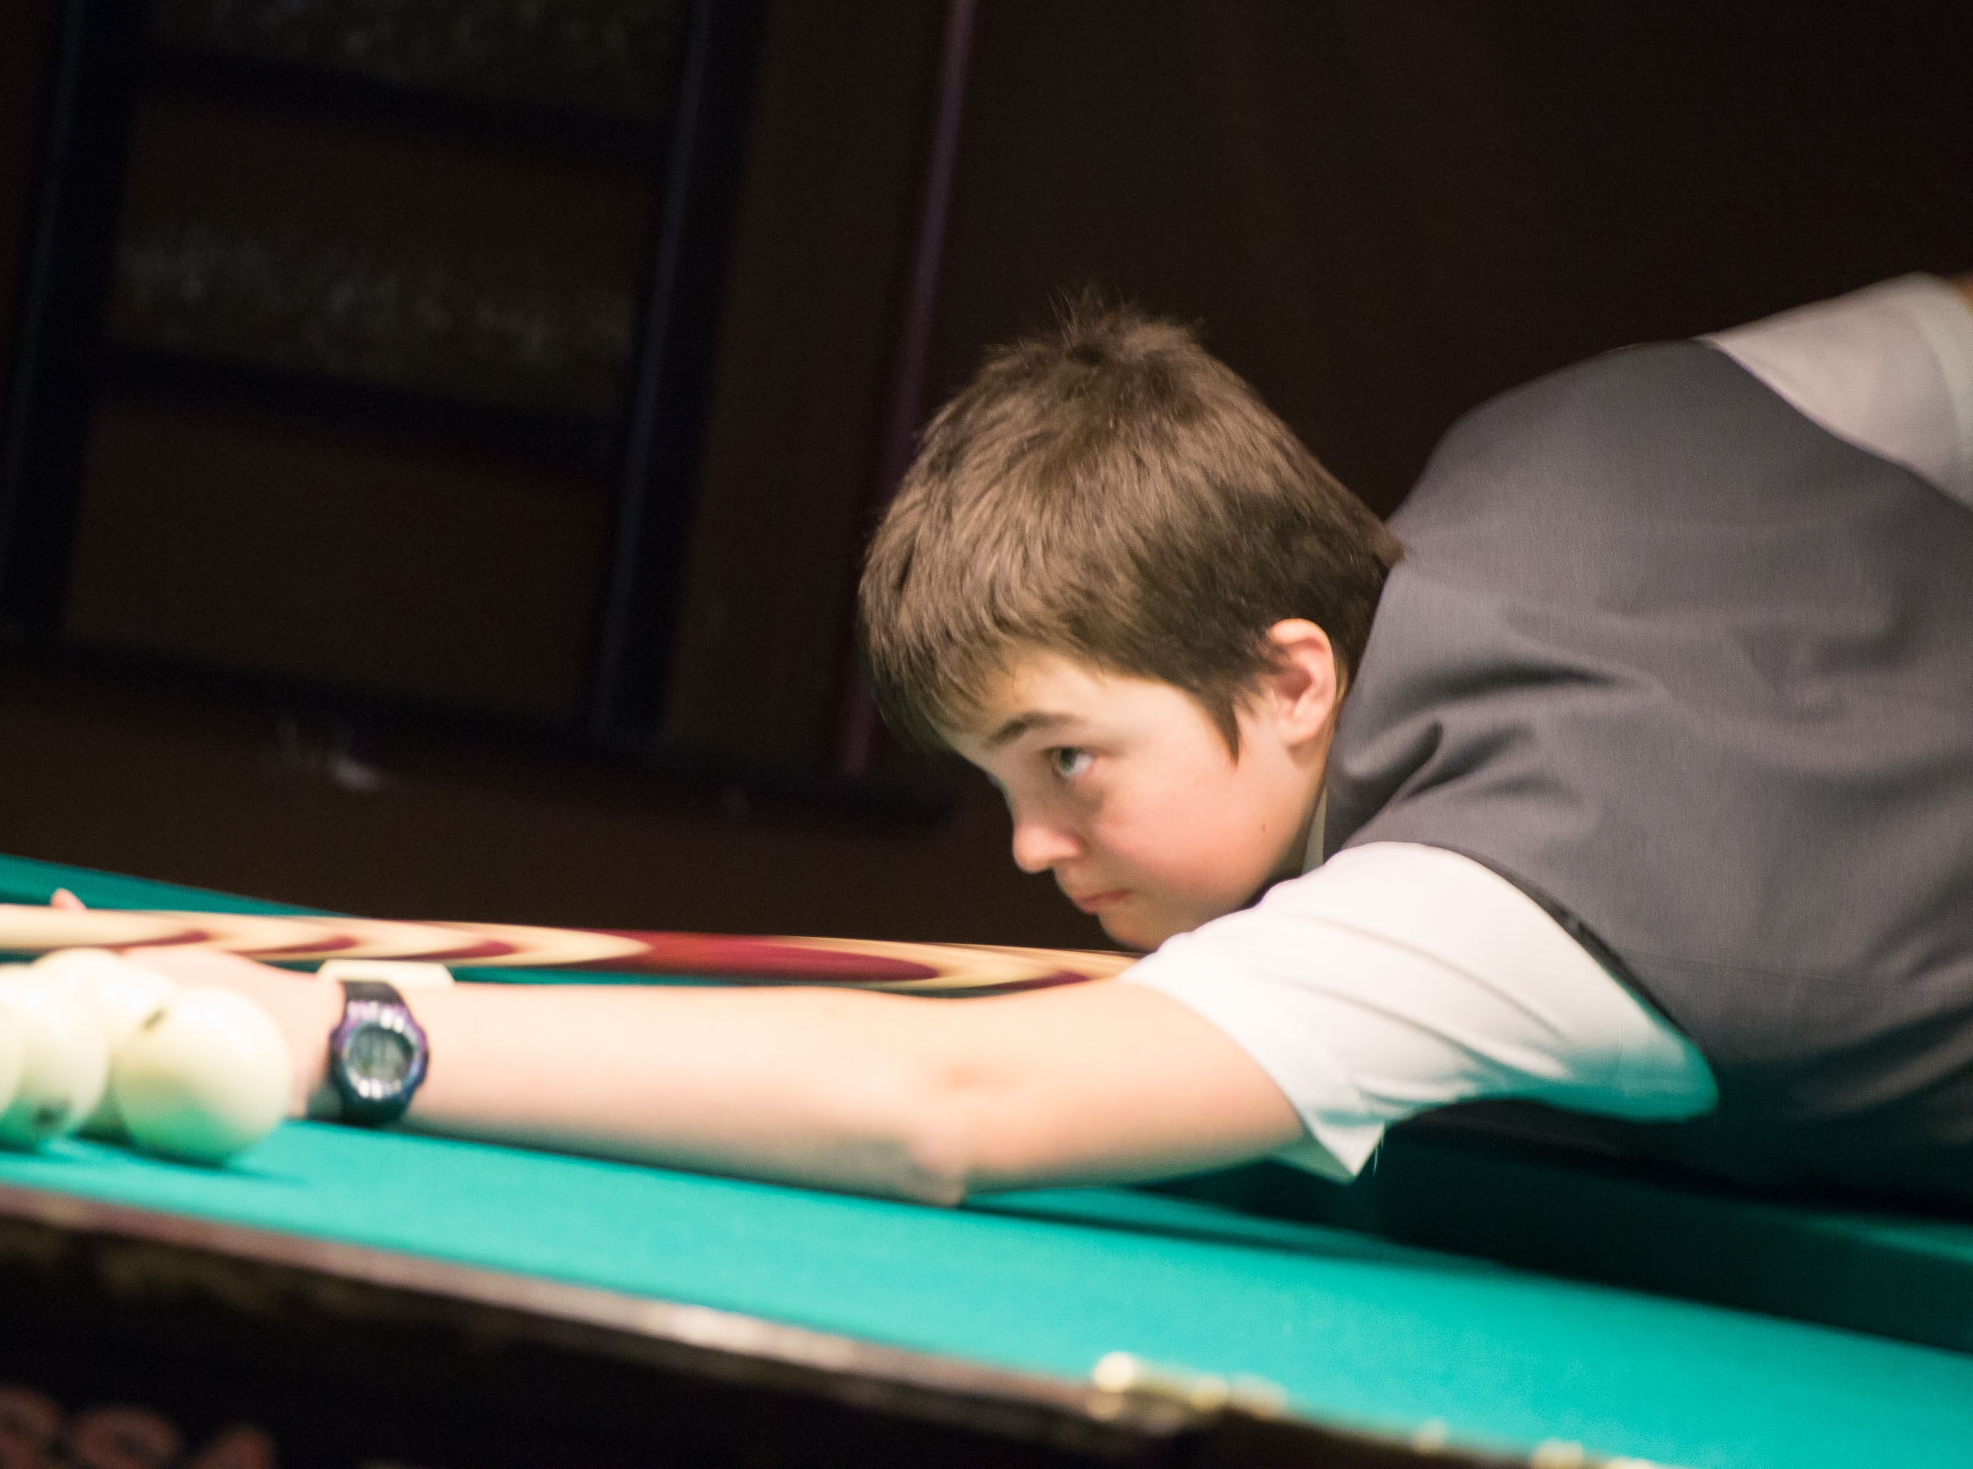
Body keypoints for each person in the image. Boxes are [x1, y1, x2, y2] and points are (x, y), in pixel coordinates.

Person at [136, 272, 1973, 1209]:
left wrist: (335, 1031)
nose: (1028, 849)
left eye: (1067, 762)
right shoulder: (1585, 432)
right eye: (1001, 786)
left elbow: (951, 1107)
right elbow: (1944, 332)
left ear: (1293, 681)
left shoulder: (1490, 901)